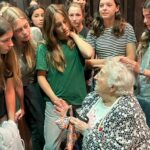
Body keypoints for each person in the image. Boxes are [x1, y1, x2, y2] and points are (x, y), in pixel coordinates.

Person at [36, 4, 94, 149]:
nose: (63, 27)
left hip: (80, 102)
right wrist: (55, 99)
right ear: (51, 28)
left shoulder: (75, 40)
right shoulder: (44, 47)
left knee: (81, 144)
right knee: (51, 146)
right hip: (57, 104)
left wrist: (73, 34)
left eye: (65, 21)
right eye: (58, 25)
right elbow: (41, 77)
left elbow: (88, 53)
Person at [69, 60, 150, 149]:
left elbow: (117, 147)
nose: (95, 77)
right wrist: (68, 117)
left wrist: (86, 131)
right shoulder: (93, 96)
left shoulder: (128, 111)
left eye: (101, 74)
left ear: (112, 87)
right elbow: (81, 122)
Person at [2, 6, 45, 150]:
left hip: (35, 86)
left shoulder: (36, 33)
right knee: (21, 131)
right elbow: (14, 80)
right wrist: (21, 104)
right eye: (19, 30)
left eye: (26, 26)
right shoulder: (9, 48)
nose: (25, 32)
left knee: (39, 127)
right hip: (15, 89)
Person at [120, 0, 150, 127]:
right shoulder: (145, 36)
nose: (145, 21)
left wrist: (141, 70)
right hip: (141, 96)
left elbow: (141, 69)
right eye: (144, 17)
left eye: (149, 17)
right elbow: (138, 63)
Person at [86, 0, 136, 68]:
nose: (104, 8)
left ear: (117, 8)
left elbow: (131, 59)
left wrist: (102, 63)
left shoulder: (127, 28)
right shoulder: (93, 31)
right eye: (101, 6)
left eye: (109, 5)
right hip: (101, 75)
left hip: (122, 74)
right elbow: (88, 62)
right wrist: (111, 60)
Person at [0, 16, 20, 124]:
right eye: (5, 40)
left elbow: (9, 90)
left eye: (11, 38)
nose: (11, 44)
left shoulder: (7, 57)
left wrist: (11, 121)